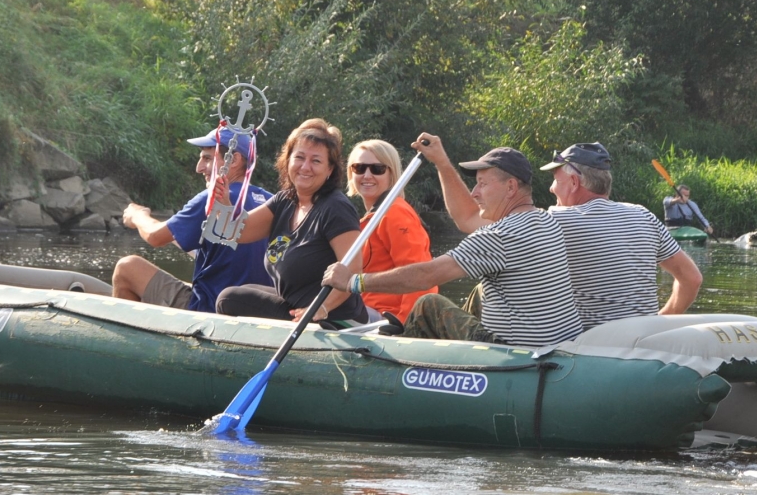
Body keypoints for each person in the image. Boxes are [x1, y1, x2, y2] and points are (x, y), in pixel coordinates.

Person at [323, 136, 582, 347]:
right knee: (480, 291)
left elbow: (428, 275)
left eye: (481, 184)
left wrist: (353, 281)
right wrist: (441, 163)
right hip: (555, 344)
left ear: (511, 188)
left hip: (517, 351)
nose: (474, 192)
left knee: (429, 304)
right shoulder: (545, 221)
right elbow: (467, 217)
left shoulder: (498, 236)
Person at [214, 118, 367, 326]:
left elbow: (353, 272)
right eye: (300, 157)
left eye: (316, 161)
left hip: (333, 319)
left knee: (228, 299)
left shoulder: (336, 208)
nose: (305, 167)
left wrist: (321, 308)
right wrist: (223, 202)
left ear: (330, 170)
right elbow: (236, 232)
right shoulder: (285, 200)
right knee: (244, 290)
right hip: (296, 307)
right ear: (288, 161)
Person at [542, 143, 702, 327]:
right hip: (646, 339)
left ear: (573, 183)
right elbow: (692, 279)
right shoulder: (644, 215)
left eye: (556, 180)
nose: (551, 188)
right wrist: (659, 321)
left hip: (590, 347)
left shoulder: (555, 220)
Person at [112, 128, 272, 312]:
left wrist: (137, 215)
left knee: (127, 268)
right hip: (254, 312)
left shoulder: (213, 198)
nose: (198, 168)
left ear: (234, 160)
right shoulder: (271, 201)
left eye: (207, 158)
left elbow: (155, 237)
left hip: (209, 311)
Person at [346, 139, 437, 324]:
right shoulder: (370, 217)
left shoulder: (395, 213)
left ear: (391, 174)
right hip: (364, 308)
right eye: (359, 168)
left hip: (386, 318)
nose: (367, 175)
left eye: (377, 169)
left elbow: (420, 276)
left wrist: (405, 325)